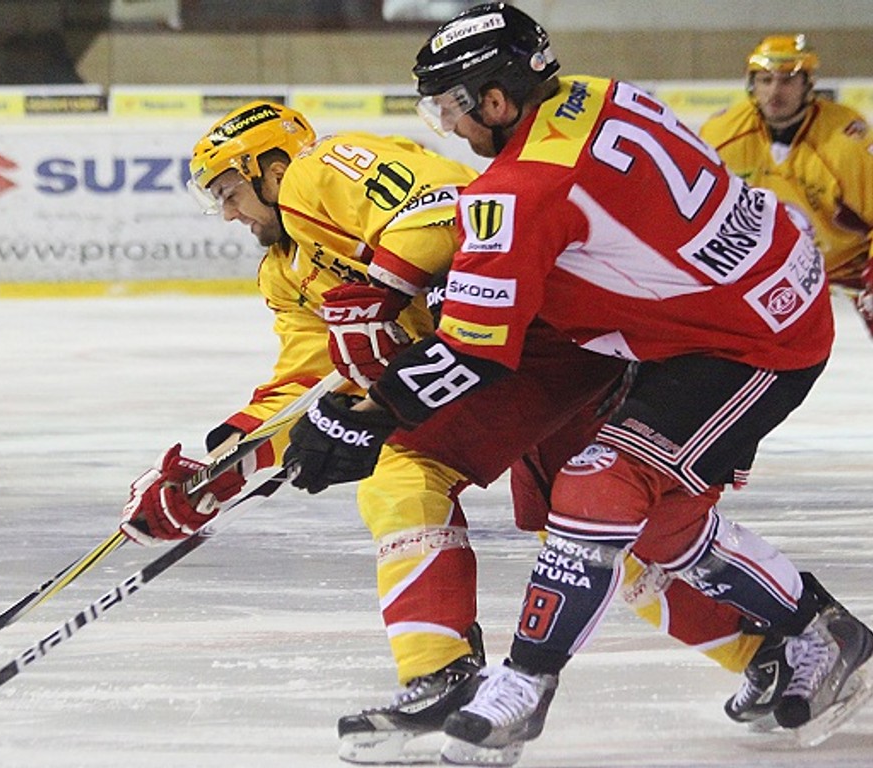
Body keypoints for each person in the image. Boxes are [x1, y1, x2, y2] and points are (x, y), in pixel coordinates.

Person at [282, 4, 873, 765]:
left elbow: (475, 353)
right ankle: (824, 630)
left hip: (750, 341)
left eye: (450, 109)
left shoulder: (519, 193)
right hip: (746, 299)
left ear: (495, 102)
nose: (450, 130)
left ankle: (523, 685)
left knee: (596, 484)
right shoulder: (597, 92)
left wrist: (364, 416)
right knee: (659, 525)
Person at [116, 98, 633, 763]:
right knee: (623, 532)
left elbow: (450, 209)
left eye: (231, 192)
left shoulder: (320, 170)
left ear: (270, 166)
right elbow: (308, 382)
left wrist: (385, 287)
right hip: (506, 361)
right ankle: (777, 645)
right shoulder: (286, 271)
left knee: (404, 473)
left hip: (534, 327)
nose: (229, 214)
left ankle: (440, 675)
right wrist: (217, 473)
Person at [700, 34, 873, 338]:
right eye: (765, 80)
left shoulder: (845, 144)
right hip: (771, 266)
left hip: (849, 262)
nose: (774, 92)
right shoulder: (721, 135)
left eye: (787, 81)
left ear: (809, 84)